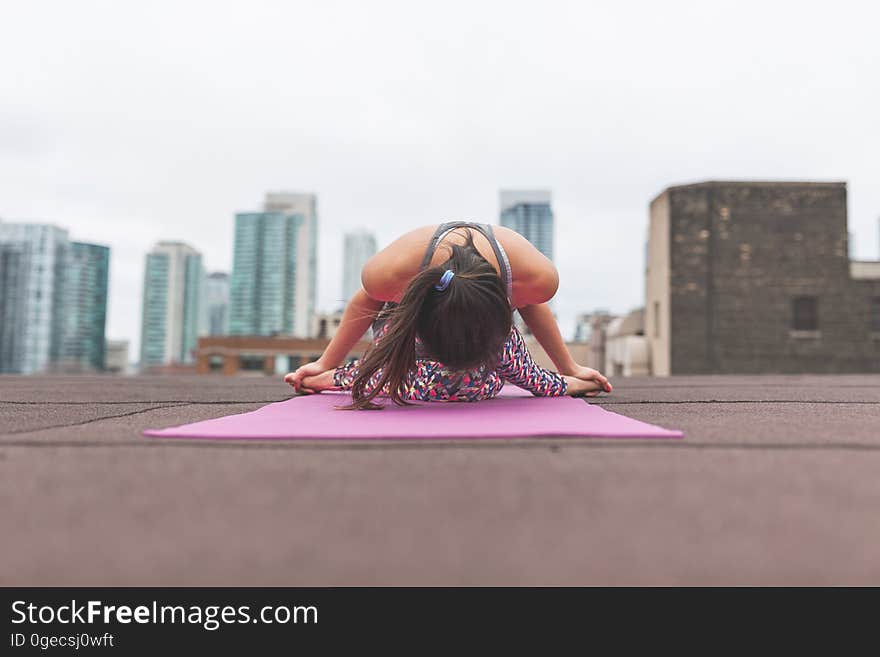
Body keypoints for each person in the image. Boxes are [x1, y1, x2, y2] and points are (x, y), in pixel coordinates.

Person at [285, 221, 612, 409]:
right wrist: (325, 364)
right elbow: (365, 303)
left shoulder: (535, 277)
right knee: (432, 382)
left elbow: (531, 309)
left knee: (462, 384)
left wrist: (570, 372)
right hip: (406, 330)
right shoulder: (389, 273)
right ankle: (346, 376)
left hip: (488, 341)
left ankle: (348, 377)